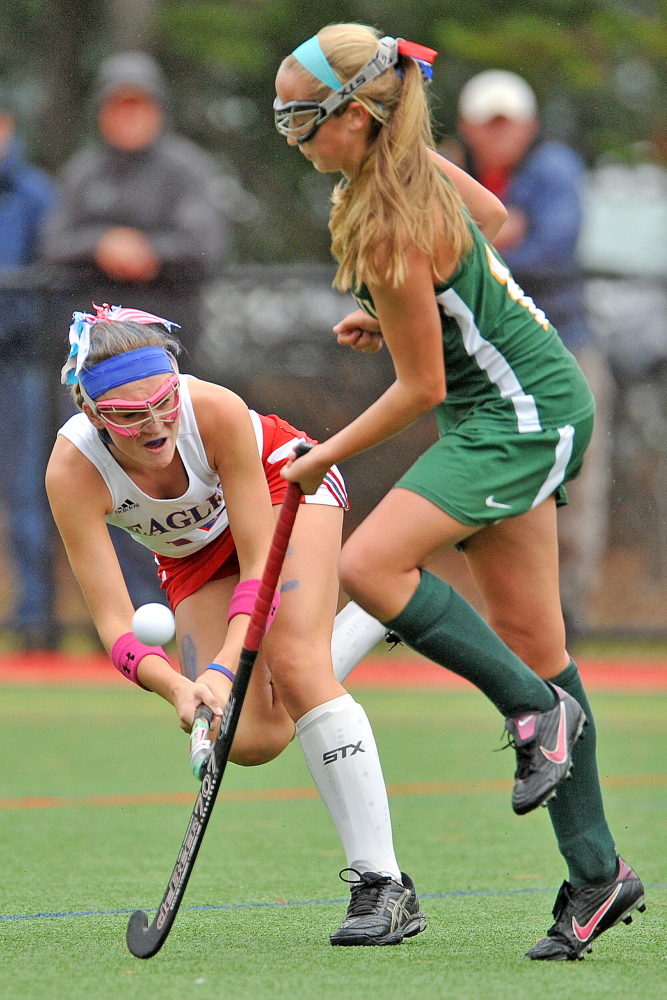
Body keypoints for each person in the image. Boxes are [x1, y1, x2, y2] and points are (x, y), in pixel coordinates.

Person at [274, 24, 645, 960]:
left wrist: (326, 458)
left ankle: (533, 712)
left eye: (303, 121)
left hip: (518, 416)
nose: (293, 139)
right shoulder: (407, 175)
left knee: (368, 561)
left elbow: (421, 388)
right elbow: (490, 221)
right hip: (510, 407)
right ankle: (598, 874)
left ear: (358, 117)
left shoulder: (395, 216)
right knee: (538, 642)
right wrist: (402, 310)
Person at [45, 303, 425, 948]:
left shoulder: (211, 410)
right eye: (127, 416)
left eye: (164, 401)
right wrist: (177, 689)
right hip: (192, 556)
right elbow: (113, 622)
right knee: (249, 739)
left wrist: (222, 667)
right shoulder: (73, 473)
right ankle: (374, 612)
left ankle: (383, 887)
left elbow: (258, 566)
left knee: (299, 668)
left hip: (285, 492)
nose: (155, 425)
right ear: (91, 412)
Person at [41, 51, 227, 609]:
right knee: (106, 487)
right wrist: (102, 243)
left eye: (138, 104)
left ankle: (192, 594)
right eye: (118, 104)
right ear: (101, 110)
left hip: (171, 365)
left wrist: (150, 250)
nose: (128, 115)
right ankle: (130, 608)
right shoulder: (82, 172)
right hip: (96, 375)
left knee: (186, 481)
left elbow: (206, 244)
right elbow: (52, 244)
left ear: (157, 109)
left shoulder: (186, 169)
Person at [457, 70, 613, 636]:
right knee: (494, 491)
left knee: (576, 489)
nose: (499, 134)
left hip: (560, 352)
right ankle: (515, 616)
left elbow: (553, 250)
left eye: (509, 122)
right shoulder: (456, 171)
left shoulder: (553, 170)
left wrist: (471, 246)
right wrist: (498, 235)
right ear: (468, 127)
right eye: (488, 122)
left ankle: (571, 620)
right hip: (483, 365)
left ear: (530, 126)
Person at [0, 88, 56, 646]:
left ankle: (37, 622)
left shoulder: (37, 195)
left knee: (26, 496)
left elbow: (54, 273)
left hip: (19, 368)